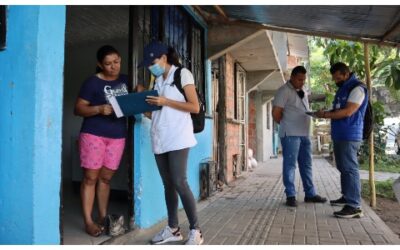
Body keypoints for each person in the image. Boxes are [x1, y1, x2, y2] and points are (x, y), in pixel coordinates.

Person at [137, 41, 203, 245]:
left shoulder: (182, 74)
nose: (150, 66)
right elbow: (155, 113)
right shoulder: (157, 81)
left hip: (178, 138)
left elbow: (194, 107)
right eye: (148, 64)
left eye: (153, 62)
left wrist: (165, 101)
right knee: (168, 185)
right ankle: (173, 229)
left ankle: (196, 231)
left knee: (180, 182)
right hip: (160, 138)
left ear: (164, 58)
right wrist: (138, 104)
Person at [74, 45, 128, 236]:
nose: (113, 66)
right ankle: (88, 221)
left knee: (105, 179)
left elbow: (135, 101)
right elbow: (78, 109)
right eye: (108, 63)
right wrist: (98, 109)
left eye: (116, 62)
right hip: (93, 135)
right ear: (99, 64)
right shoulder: (92, 83)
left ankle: (102, 216)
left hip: (117, 137)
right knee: (90, 178)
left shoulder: (126, 80)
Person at [315, 62, 368, 218]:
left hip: (350, 135)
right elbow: (339, 109)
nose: (336, 81)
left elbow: (348, 112)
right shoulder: (343, 89)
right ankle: (347, 196)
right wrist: (326, 112)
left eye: (339, 78)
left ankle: (354, 206)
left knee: (350, 169)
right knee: (343, 168)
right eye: (334, 78)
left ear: (346, 74)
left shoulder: (357, 88)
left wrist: (325, 115)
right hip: (340, 134)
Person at [272, 66, 327, 207]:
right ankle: (290, 195)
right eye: (299, 79)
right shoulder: (283, 91)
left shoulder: (302, 90)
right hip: (290, 134)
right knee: (290, 165)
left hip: (304, 134)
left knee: (306, 165)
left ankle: (310, 194)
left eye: (304, 79)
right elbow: (276, 114)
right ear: (292, 77)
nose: (302, 82)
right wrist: (287, 124)